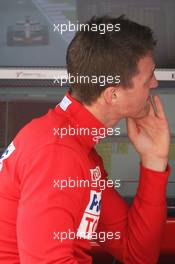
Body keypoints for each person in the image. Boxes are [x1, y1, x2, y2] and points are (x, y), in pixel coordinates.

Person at [0, 15, 170, 264]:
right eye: (148, 79)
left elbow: (135, 252)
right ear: (112, 94)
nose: (154, 84)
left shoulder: (75, 147)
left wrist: (154, 160)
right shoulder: (57, 154)